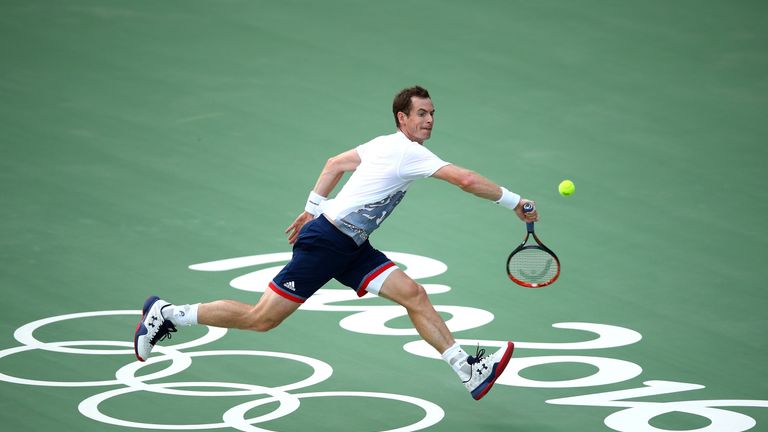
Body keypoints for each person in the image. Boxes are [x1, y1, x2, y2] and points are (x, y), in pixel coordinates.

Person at [134, 85, 539, 401]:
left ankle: (466, 368)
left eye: (432, 113)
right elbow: (466, 180)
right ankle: (169, 314)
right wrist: (514, 202)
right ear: (402, 117)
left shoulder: (383, 144)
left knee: (413, 294)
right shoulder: (408, 153)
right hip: (328, 242)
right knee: (262, 319)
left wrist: (312, 207)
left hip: (351, 244)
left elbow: (334, 164)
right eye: (421, 113)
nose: (430, 120)